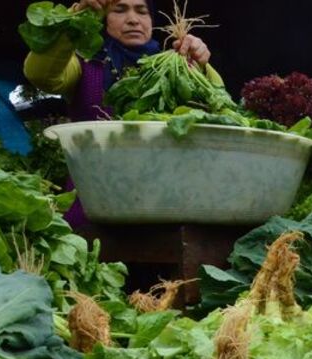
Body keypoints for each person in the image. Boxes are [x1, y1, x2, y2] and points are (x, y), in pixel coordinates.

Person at [22, 0, 218, 225]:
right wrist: (74, 22)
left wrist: (201, 66)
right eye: (120, 10)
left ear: (152, 21)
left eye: (142, 11)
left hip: (164, 206)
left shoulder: (176, 66)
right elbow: (40, 75)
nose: (133, 19)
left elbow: (216, 100)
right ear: (105, 19)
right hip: (93, 206)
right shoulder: (85, 63)